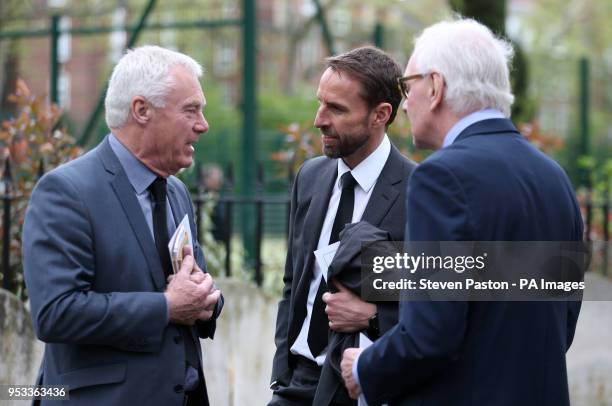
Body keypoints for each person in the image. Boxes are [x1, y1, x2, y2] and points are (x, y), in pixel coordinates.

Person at [340, 19, 583, 406]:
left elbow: (431, 335)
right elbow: (561, 325)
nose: (404, 103)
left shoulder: (441, 177)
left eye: (408, 86)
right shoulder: (554, 178)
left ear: (435, 87)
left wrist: (364, 367)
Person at [22, 45, 223, 406]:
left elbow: (188, 282)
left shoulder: (176, 191)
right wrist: (165, 306)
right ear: (141, 110)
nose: (202, 125)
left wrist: (207, 299)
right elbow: (56, 313)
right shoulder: (66, 192)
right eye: (191, 110)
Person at [269, 46, 415, 406]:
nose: (319, 119)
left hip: (363, 388)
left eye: (336, 109)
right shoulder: (311, 176)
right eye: (320, 103)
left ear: (380, 115)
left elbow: (441, 299)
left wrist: (376, 317)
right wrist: (281, 368)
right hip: (295, 383)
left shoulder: (420, 191)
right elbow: (294, 281)